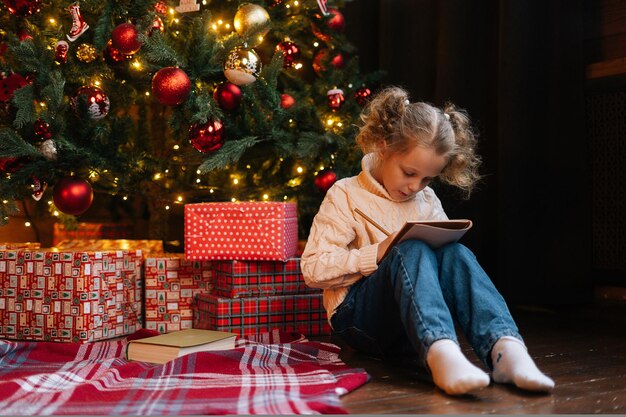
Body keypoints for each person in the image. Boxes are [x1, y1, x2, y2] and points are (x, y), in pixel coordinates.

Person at [300, 86, 555, 396]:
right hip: (359, 320)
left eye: (426, 179)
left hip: (412, 321)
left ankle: (505, 350)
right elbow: (312, 269)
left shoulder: (427, 199)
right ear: (384, 146)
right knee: (410, 248)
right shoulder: (345, 194)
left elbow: (444, 262)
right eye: (409, 172)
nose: (414, 187)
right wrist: (378, 252)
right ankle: (441, 353)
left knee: (456, 252)